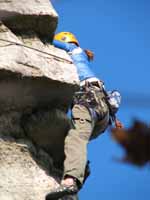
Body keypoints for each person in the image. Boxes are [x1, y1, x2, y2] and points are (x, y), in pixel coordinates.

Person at [46, 32, 123, 200]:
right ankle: (81, 169)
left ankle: (70, 182)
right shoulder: (83, 61)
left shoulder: (74, 49)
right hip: (102, 113)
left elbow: (59, 44)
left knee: (76, 138)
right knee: (73, 139)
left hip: (87, 100)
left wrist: (42, 39)